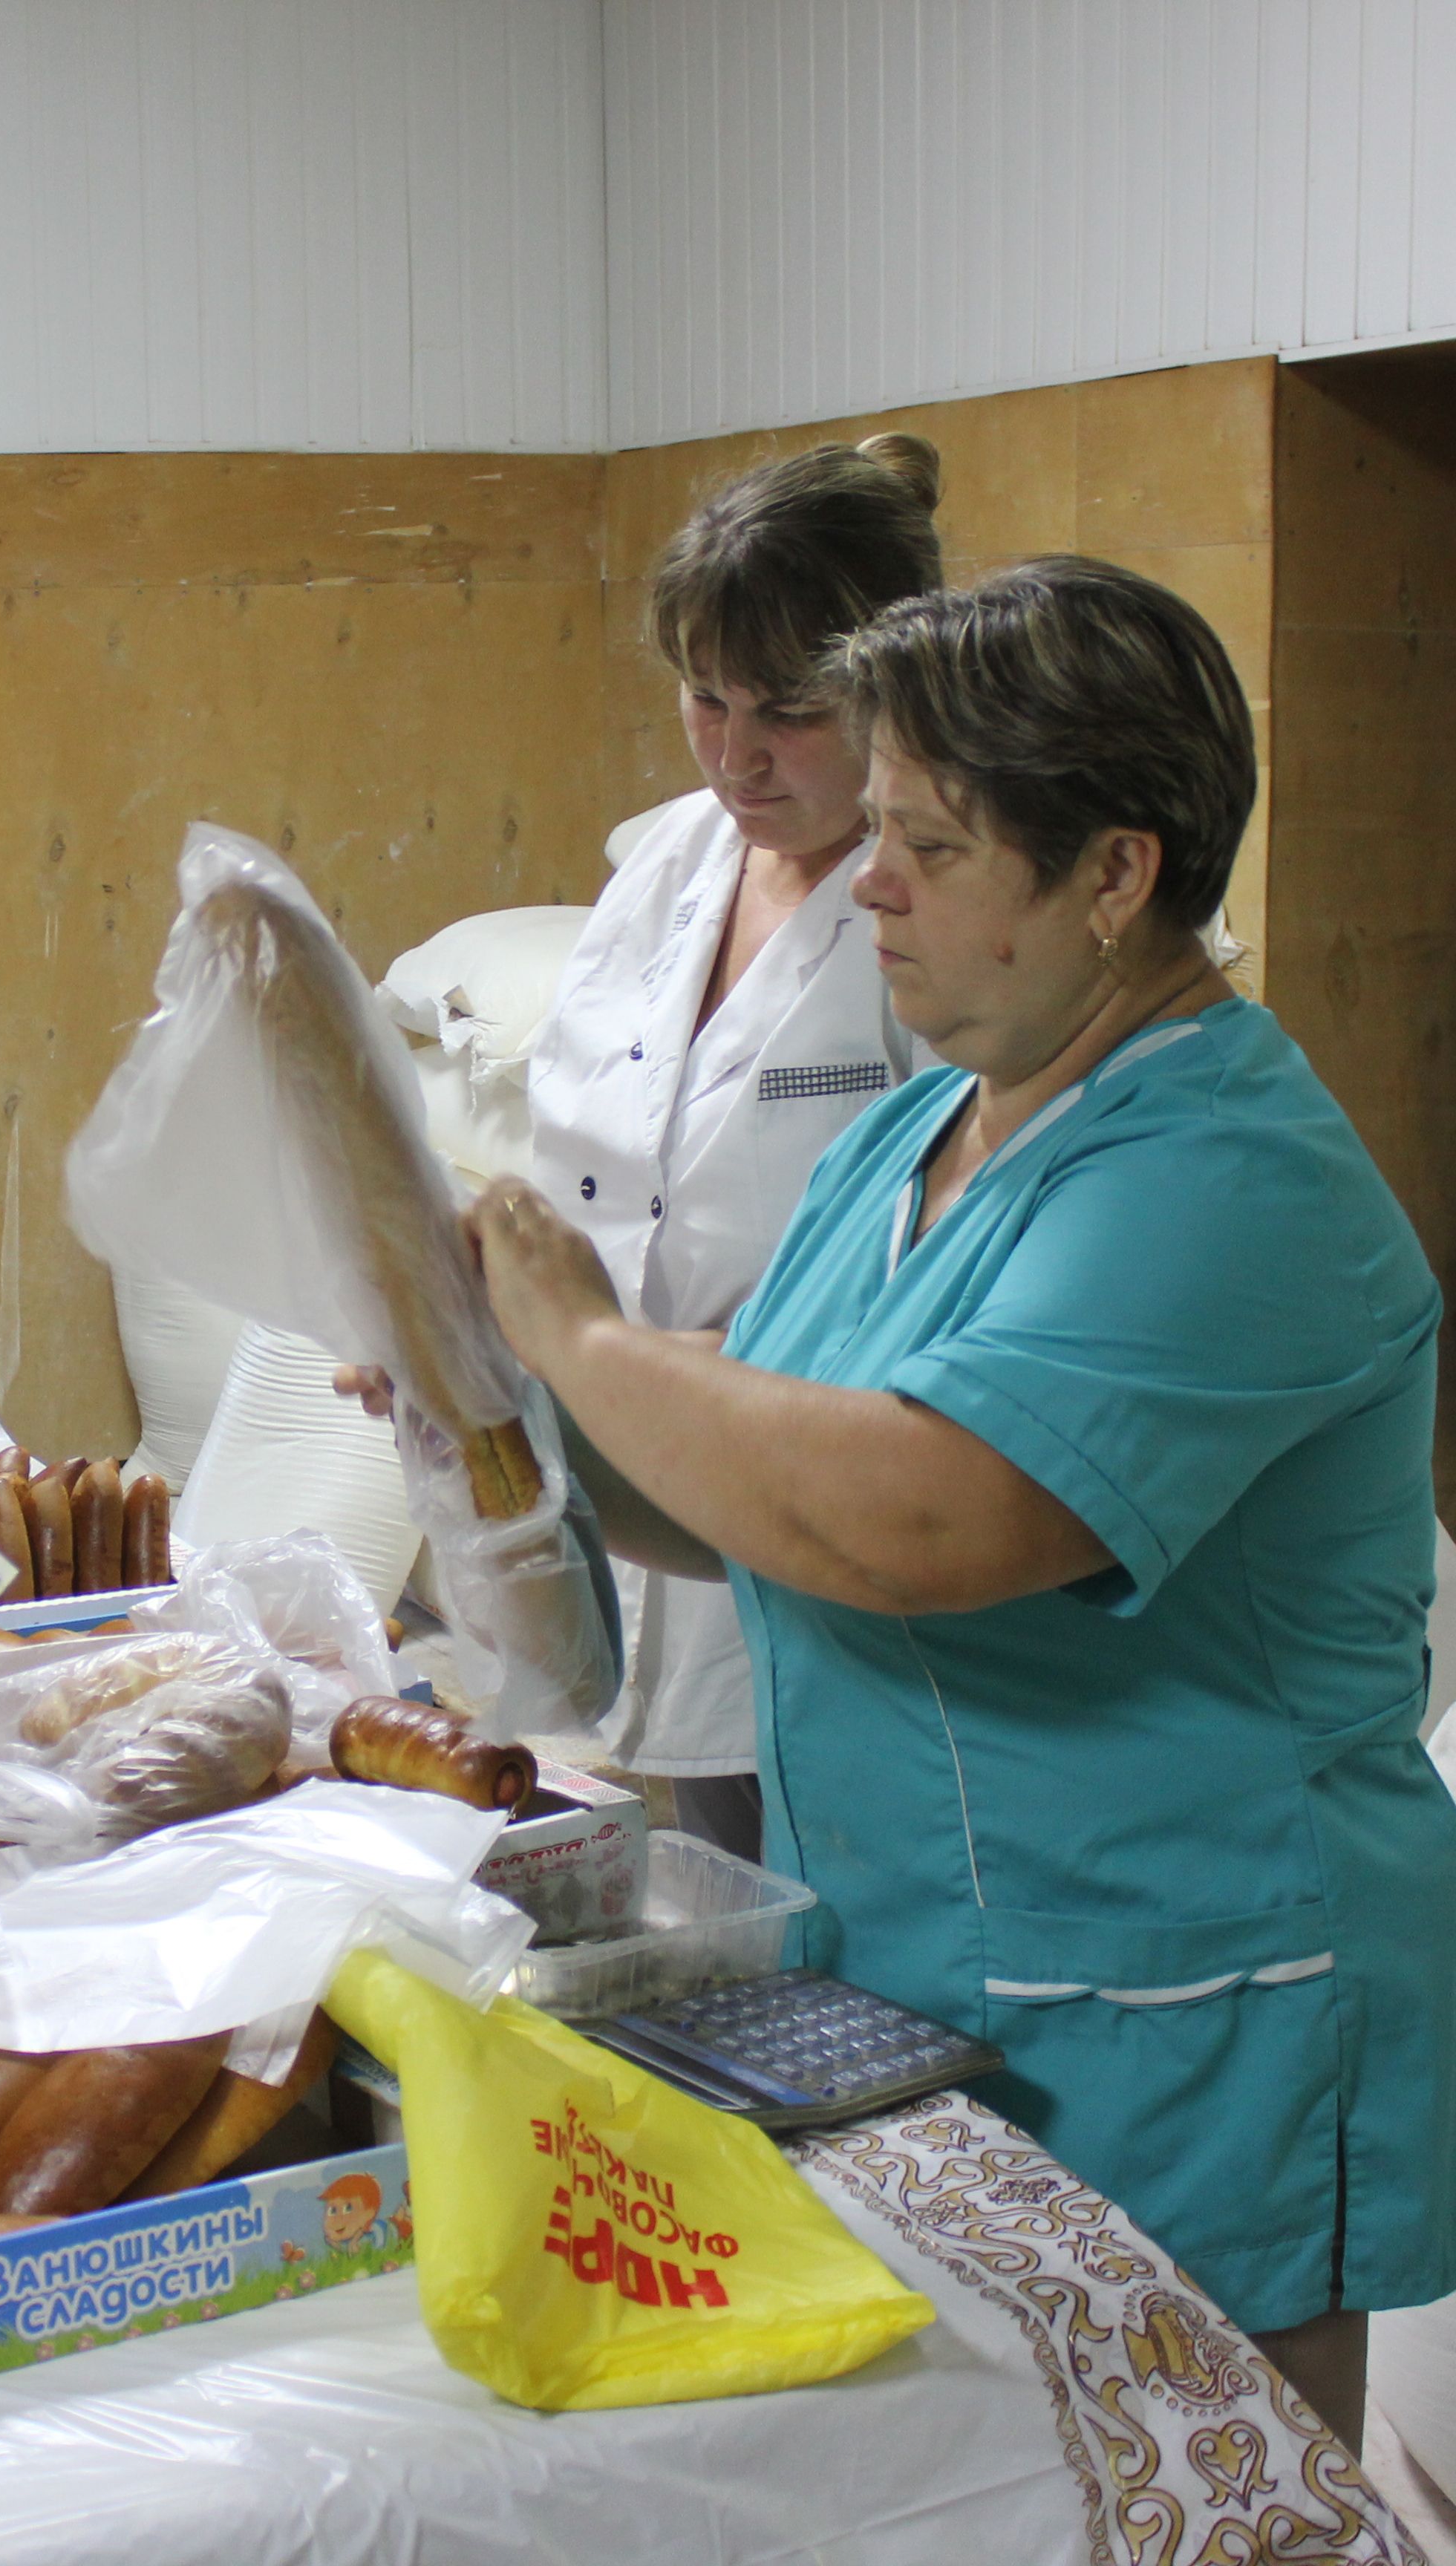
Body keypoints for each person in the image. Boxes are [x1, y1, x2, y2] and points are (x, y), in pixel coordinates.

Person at [445, 558, 1456, 2443]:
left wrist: (587, 1347)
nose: (866, 883)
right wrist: (490, 1397)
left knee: (1204, 2496)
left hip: (1191, 2012)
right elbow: (753, 1482)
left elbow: (922, 1519)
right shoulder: (923, 1132)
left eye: (927, 840)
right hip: (931, 1966)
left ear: (1115, 872)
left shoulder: (1224, 1180)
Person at [523, 434, 940, 1862]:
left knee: (828, 1913)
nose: (733, 753)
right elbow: (582, 1157)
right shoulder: (665, 868)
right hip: (635, 1493)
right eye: (704, 699)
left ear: (892, 688)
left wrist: (595, 1360)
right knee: (712, 1900)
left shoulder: (937, 917)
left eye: (788, 711)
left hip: (823, 1512)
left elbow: (939, 1270)